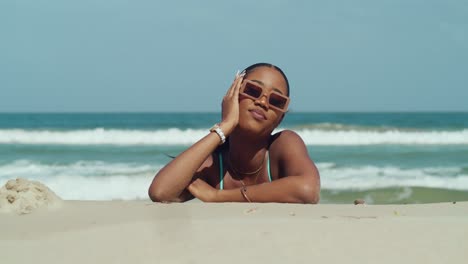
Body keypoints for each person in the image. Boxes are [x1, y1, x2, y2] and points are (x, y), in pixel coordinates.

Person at [148, 63, 320, 203]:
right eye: (253, 91)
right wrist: (225, 125)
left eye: (276, 100)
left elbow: (308, 190)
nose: (262, 102)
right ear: (233, 95)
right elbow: (160, 192)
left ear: (280, 118)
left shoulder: (283, 144)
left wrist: (218, 196)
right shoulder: (213, 164)